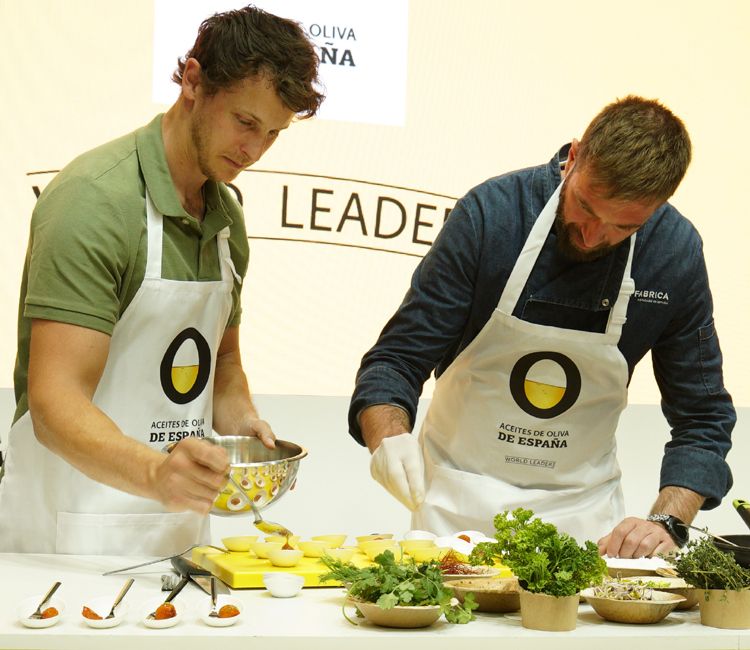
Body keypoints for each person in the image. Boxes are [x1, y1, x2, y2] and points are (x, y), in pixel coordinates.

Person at [349, 96, 735, 558]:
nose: (595, 237)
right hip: (455, 508)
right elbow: (396, 361)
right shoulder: (492, 215)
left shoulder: (674, 251)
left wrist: (667, 520)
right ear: (572, 159)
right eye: (586, 209)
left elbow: (703, 416)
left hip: (586, 519)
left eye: (623, 227)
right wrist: (388, 437)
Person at [0, 5, 323, 555]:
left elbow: (221, 365)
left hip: (180, 540)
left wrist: (245, 426)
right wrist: (156, 475)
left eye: (272, 133)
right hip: (66, 540)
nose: (254, 151)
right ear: (194, 81)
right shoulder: (94, 201)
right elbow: (54, 404)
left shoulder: (225, 219)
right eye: (245, 122)